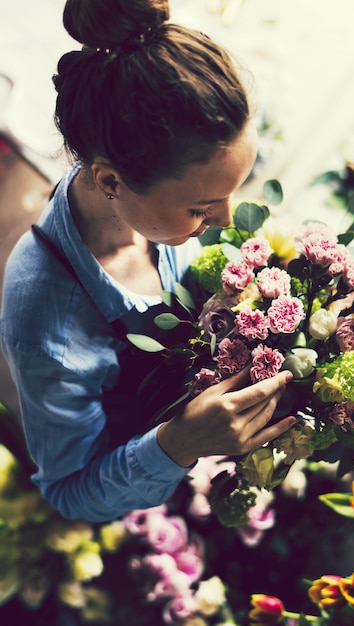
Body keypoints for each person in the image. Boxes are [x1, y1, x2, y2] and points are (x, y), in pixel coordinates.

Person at [0, 0, 296, 522]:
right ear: (111, 181)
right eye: (201, 208)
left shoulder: (155, 199)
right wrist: (178, 444)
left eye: (236, 188)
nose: (228, 221)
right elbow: (70, 492)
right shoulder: (50, 326)